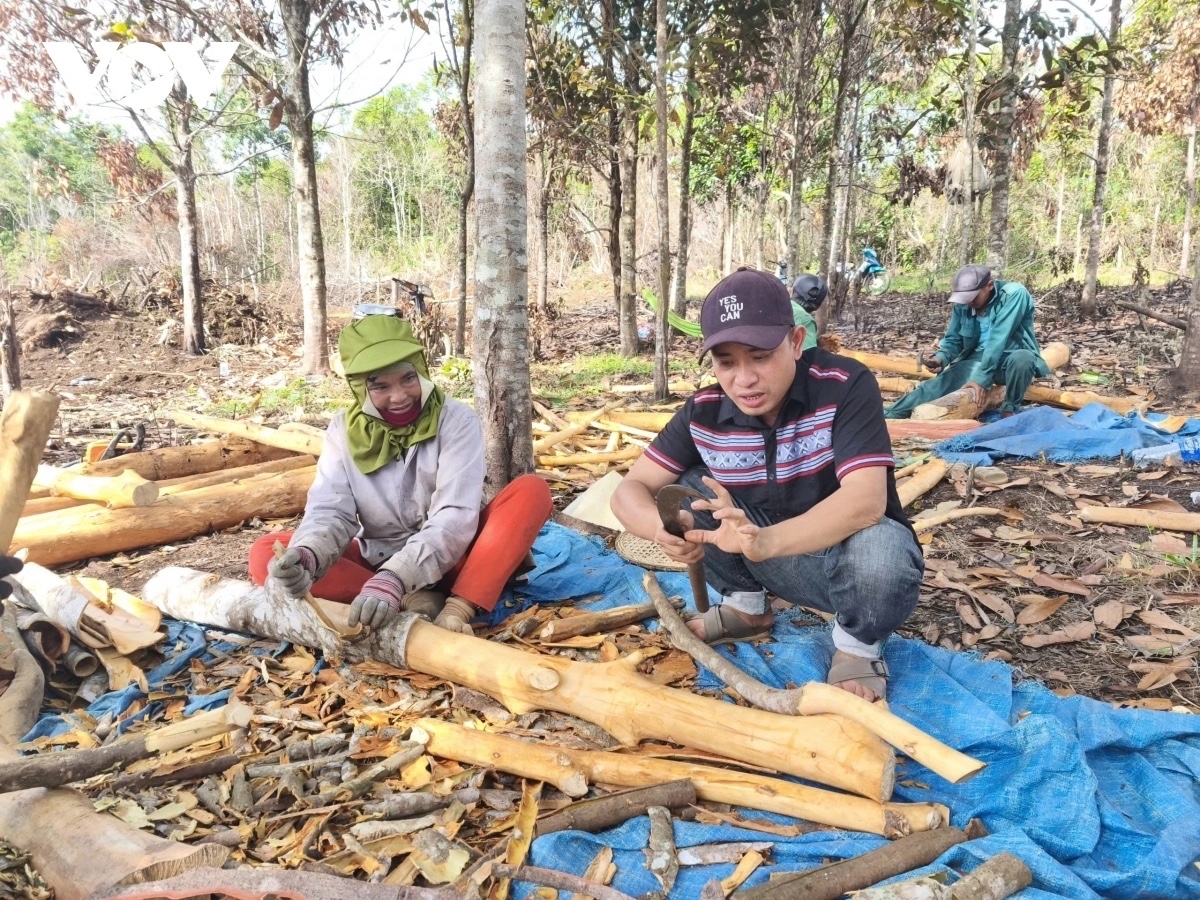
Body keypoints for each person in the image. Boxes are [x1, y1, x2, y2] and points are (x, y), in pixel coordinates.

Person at [611, 268, 923, 702]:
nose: (744, 378)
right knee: (689, 491)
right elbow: (631, 488)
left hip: (844, 563)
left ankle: (857, 646)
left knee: (882, 545)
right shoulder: (703, 412)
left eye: (760, 356)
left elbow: (865, 502)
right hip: (762, 556)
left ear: (795, 342)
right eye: (727, 362)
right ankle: (747, 608)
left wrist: (766, 542)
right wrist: (660, 530)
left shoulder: (845, 386)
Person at [249, 315, 553, 633]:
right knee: (268, 557)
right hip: (377, 563)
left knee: (531, 491)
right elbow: (329, 511)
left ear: (421, 369)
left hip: (459, 561)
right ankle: (412, 602)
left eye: (408, 378)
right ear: (358, 388)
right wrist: (308, 555)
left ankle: (457, 609)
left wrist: (397, 576)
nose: (399, 396)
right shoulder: (342, 431)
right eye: (380, 386)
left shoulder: (456, 420)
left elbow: (455, 518)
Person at [885, 264, 1049, 420]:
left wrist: (980, 379)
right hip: (977, 359)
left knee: (1023, 359)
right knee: (935, 386)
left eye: (973, 296)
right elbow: (954, 339)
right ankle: (890, 413)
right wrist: (941, 357)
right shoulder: (963, 305)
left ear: (990, 285)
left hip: (1009, 359)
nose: (968, 301)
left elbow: (998, 339)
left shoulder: (1013, 295)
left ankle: (1009, 409)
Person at [790, 274, 825, 352]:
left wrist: (818, 343)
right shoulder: (806, 320)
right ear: (818, 306)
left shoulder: (778, 307)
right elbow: (807, 358)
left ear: (792, 292)